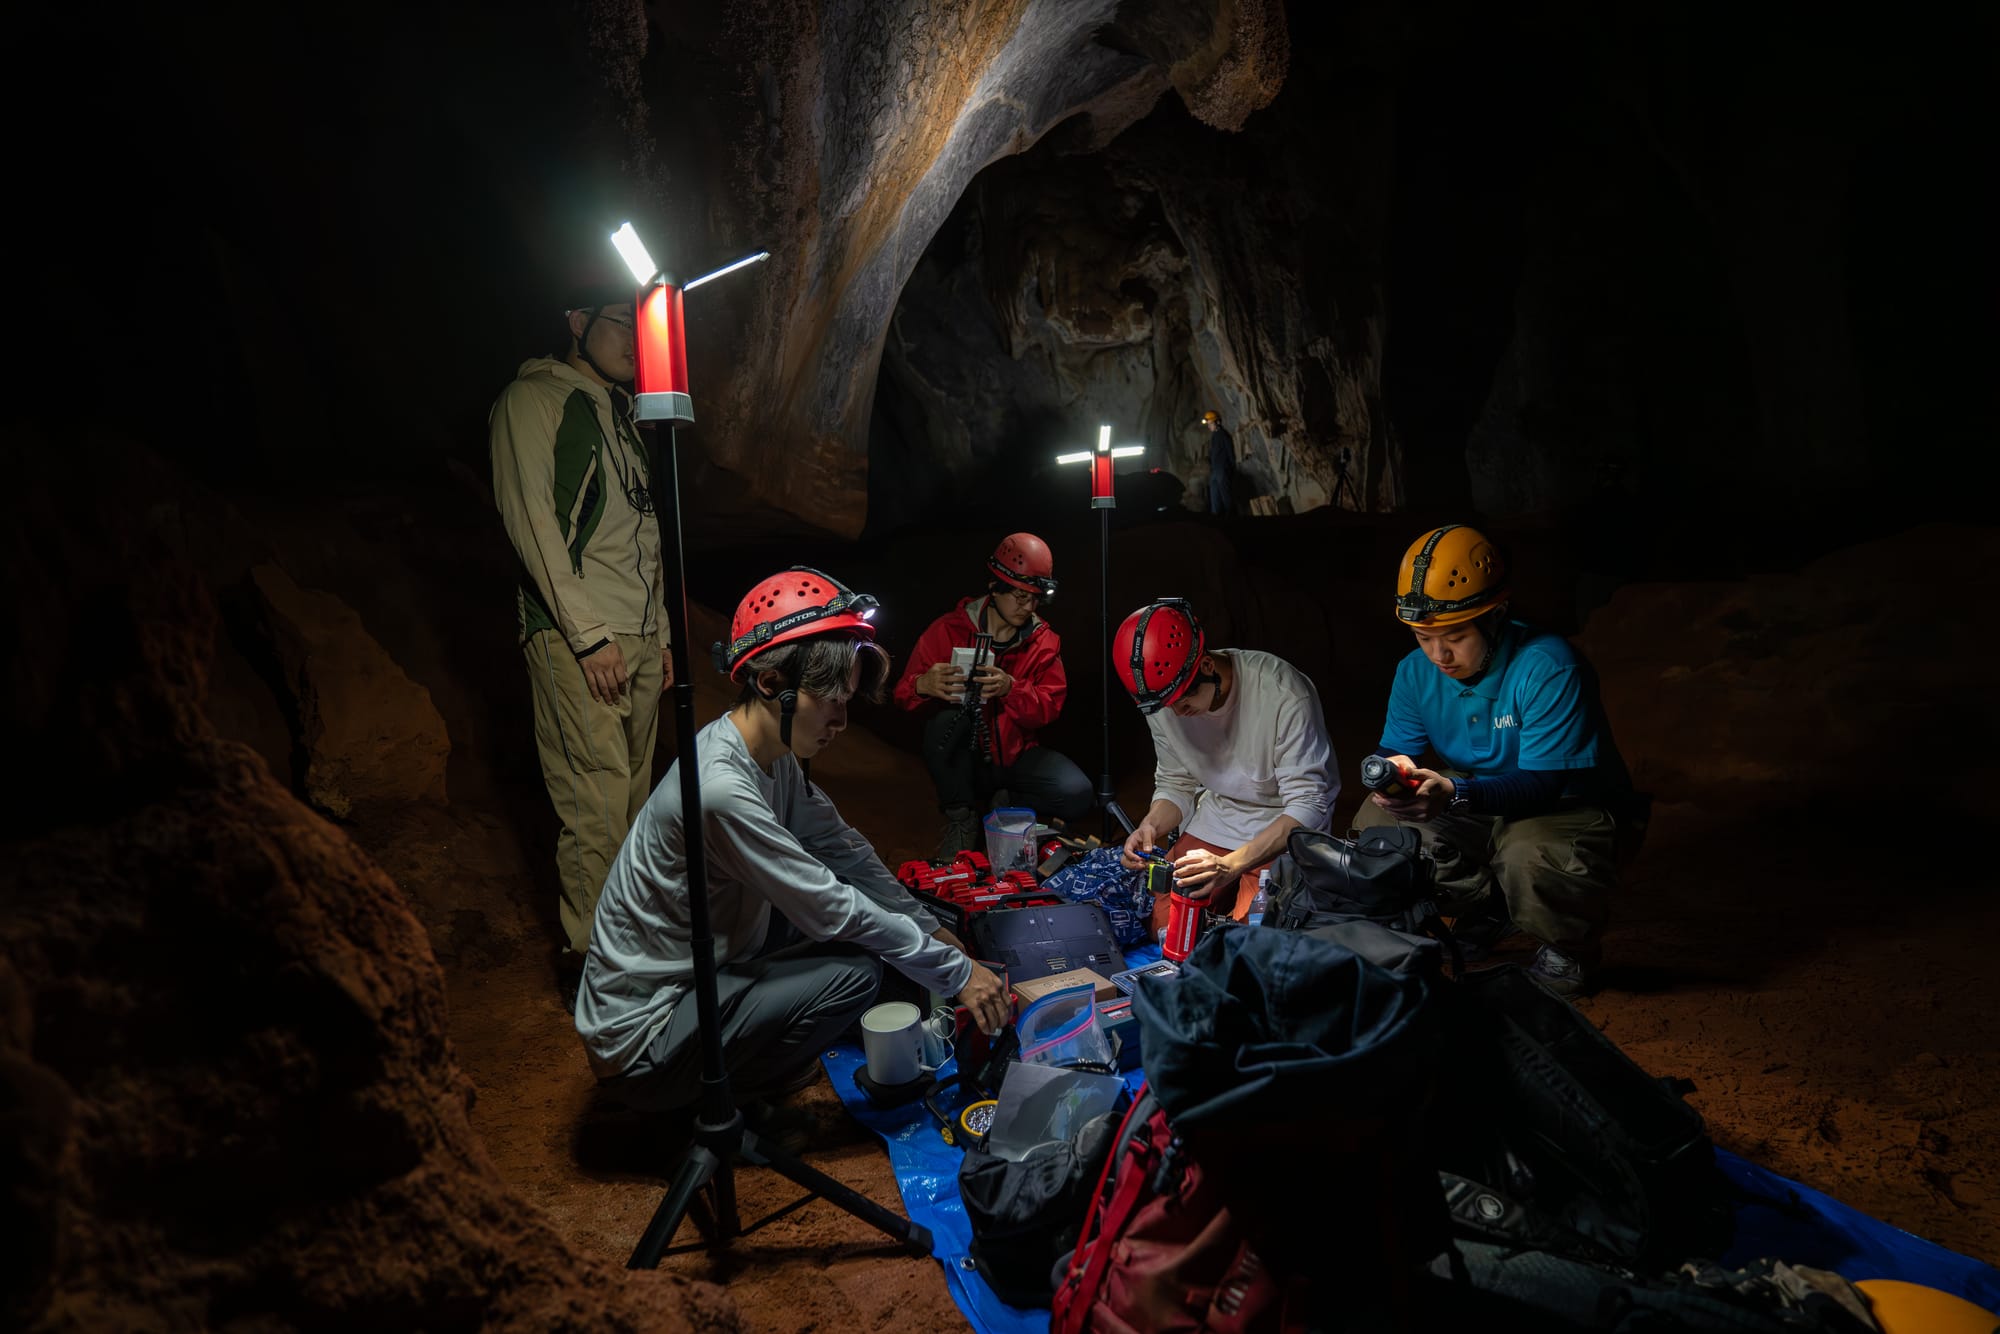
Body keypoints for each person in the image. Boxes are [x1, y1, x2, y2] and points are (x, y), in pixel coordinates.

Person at [575, 567, 1010, 1115]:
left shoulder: (766, 755)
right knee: (854, 972)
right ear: (772, 684)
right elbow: (831, 906)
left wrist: (929, 929)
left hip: (702, 966)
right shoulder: (720, 790)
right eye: (831, 701)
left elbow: (843, 849)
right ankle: (716, 1101)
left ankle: (747, 1057)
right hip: (644, 1039)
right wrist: (956, 972)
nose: (842, 722)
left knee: (877, 933)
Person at [1357, 524, 1632, 998]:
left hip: (1566, 804)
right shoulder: (1415, 670)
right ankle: (1492, 908)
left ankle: (1569, 949)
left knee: (1532, 855)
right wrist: (1389, 773)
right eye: (1424, 636)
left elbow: (1543, 785)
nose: (1439, 654)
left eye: (1456, 636)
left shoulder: (1548, 665)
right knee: (1376, 825)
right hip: (1481, 797)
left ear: (1496, 614)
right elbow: (1395, 748)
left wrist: (1453, 794)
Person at [490, 291, 671, 986]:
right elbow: (533, 523)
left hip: (637, 634)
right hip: (579, 637)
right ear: (576, 322)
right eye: (620, 322)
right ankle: (600, 974)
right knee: (594, 808)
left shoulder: (622, 418)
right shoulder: (531, 400)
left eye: (640, 326)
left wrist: (656, 634)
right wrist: (590, 637)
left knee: (630, 805)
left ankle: (636, 955)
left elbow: (641, 533)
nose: (633, 340)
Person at [1114, 598, 1338, 928]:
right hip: (1221, 815)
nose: (1177, 713)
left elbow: (1308, 803)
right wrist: (1151, 825)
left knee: (1252, 936)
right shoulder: (1163, 701)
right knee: (1170, 927)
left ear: (1206, 666)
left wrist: (1231, 865)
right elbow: (1177, 782)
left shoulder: (1281, 692)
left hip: (1283, 822)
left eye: (1184, 699)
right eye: (1166, 706)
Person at [893, 533, 1095, 861]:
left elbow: (1049, 707)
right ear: (994, 587)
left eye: (1034, 598)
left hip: (1016, 755)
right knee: (942, 723)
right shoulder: (948, 630)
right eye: (1018, 595)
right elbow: (902, 695)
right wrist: (921, 685)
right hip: (965, 760)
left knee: (1076, 792)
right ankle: (962, 818)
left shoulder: (1043, 642)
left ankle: (1008, 804)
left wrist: (1010, 689)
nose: (1027, 606)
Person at [1199, 410, 1236, 516]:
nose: (1209, 426)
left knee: (1226, 497)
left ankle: (1232, 517)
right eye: (1208, 424)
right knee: (1214, 497)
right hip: (1215, 471)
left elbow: (1230, 453)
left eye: (1210, 423)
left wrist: (1231, 469)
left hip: (1223, 470)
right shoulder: (1214, 436)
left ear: (1218, 422)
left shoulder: (1224, 435)